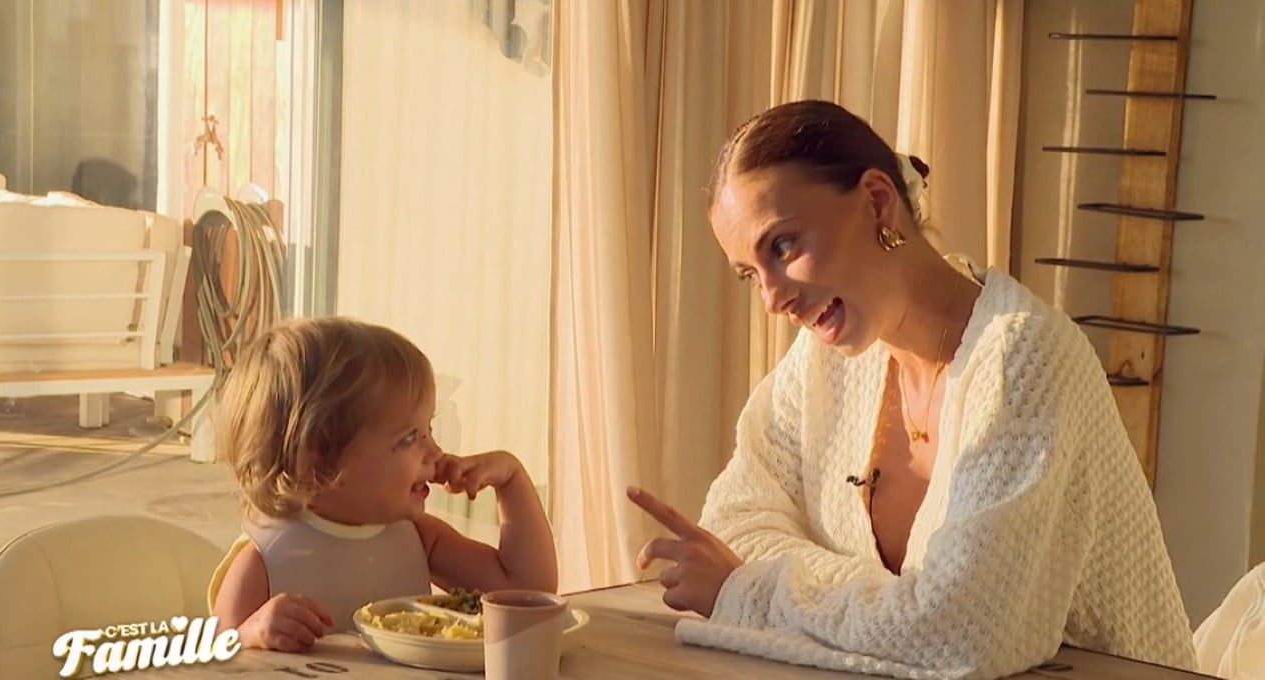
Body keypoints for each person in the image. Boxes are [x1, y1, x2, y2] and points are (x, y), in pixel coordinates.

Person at [628, 99, 1197, 680]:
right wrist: (900, 607)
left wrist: (748, 592)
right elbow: (736, 523)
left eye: (782, 246)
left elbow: (963, 636)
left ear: (878, 201)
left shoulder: (1024, 358)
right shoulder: (829, 357)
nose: (773, 300)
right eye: (751, 274)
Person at [207, 317, 556, 652]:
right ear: (318, 463)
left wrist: (512, 482)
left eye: (428, 430)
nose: (434, 451)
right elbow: (212, 659)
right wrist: (250, 633)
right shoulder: (265, 558)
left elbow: (526, 594)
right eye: (409, 438)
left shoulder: (418, 537)